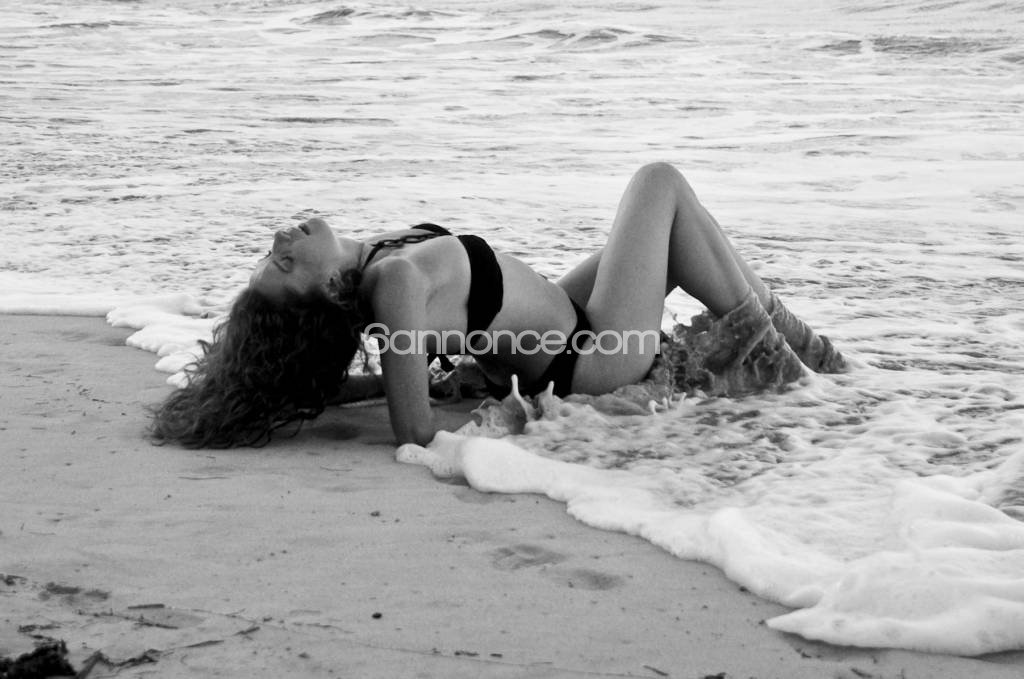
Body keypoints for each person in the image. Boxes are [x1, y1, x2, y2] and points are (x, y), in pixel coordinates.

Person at [152, 162, 845, 448]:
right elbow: (414, 430)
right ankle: (794, 358)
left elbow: (384, 367)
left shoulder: (380, 263)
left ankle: (798, 355)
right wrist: (433, 396)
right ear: (324, 293)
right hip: (589, 361)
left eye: (271, 251)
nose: (281, 240)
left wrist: (439, 373)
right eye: (282, 264)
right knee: (658, 184)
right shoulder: (391, 285)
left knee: (674, 227)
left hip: (572, 323)